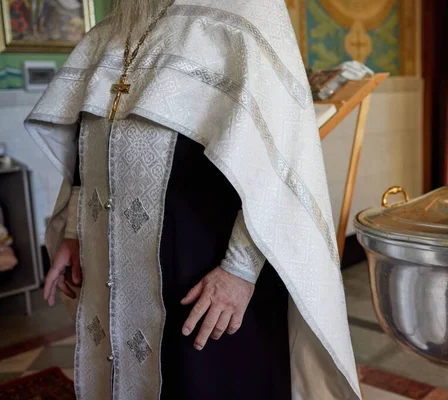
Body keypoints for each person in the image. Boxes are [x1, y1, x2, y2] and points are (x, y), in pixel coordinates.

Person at [24, 0, 360, 399]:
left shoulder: (250, 10)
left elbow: (281, 156)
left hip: (205, 279)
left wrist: (239, 269)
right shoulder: (123, 20)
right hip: (117, 268)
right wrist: (75, 231)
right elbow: (91, 137)